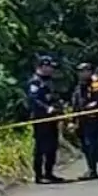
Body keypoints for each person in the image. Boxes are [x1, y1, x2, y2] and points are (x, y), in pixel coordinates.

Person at [26, 55, 64, 183]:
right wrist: (47, 108)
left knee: (52, 146)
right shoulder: (35, 81)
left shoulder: (50, 81)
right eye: (49, 67)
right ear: (42, 66)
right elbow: (33, 99)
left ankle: (49, 173)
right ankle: (38, 175)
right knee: (40, 147)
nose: (51, 70)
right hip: (40, 118)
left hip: (52, 118)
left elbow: (54, 96)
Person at [71, 62, 98, 179]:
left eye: (85, 71)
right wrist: (73, 120)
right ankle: (91, 168)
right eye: (80, 71)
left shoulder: (96, 85)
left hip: (93, 119)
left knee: (91, 145)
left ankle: (93, 169)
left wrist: (94, 105)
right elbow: (75, 104)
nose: (82, 73)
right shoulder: (79, 87)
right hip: (81, 120)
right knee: (85, 146)